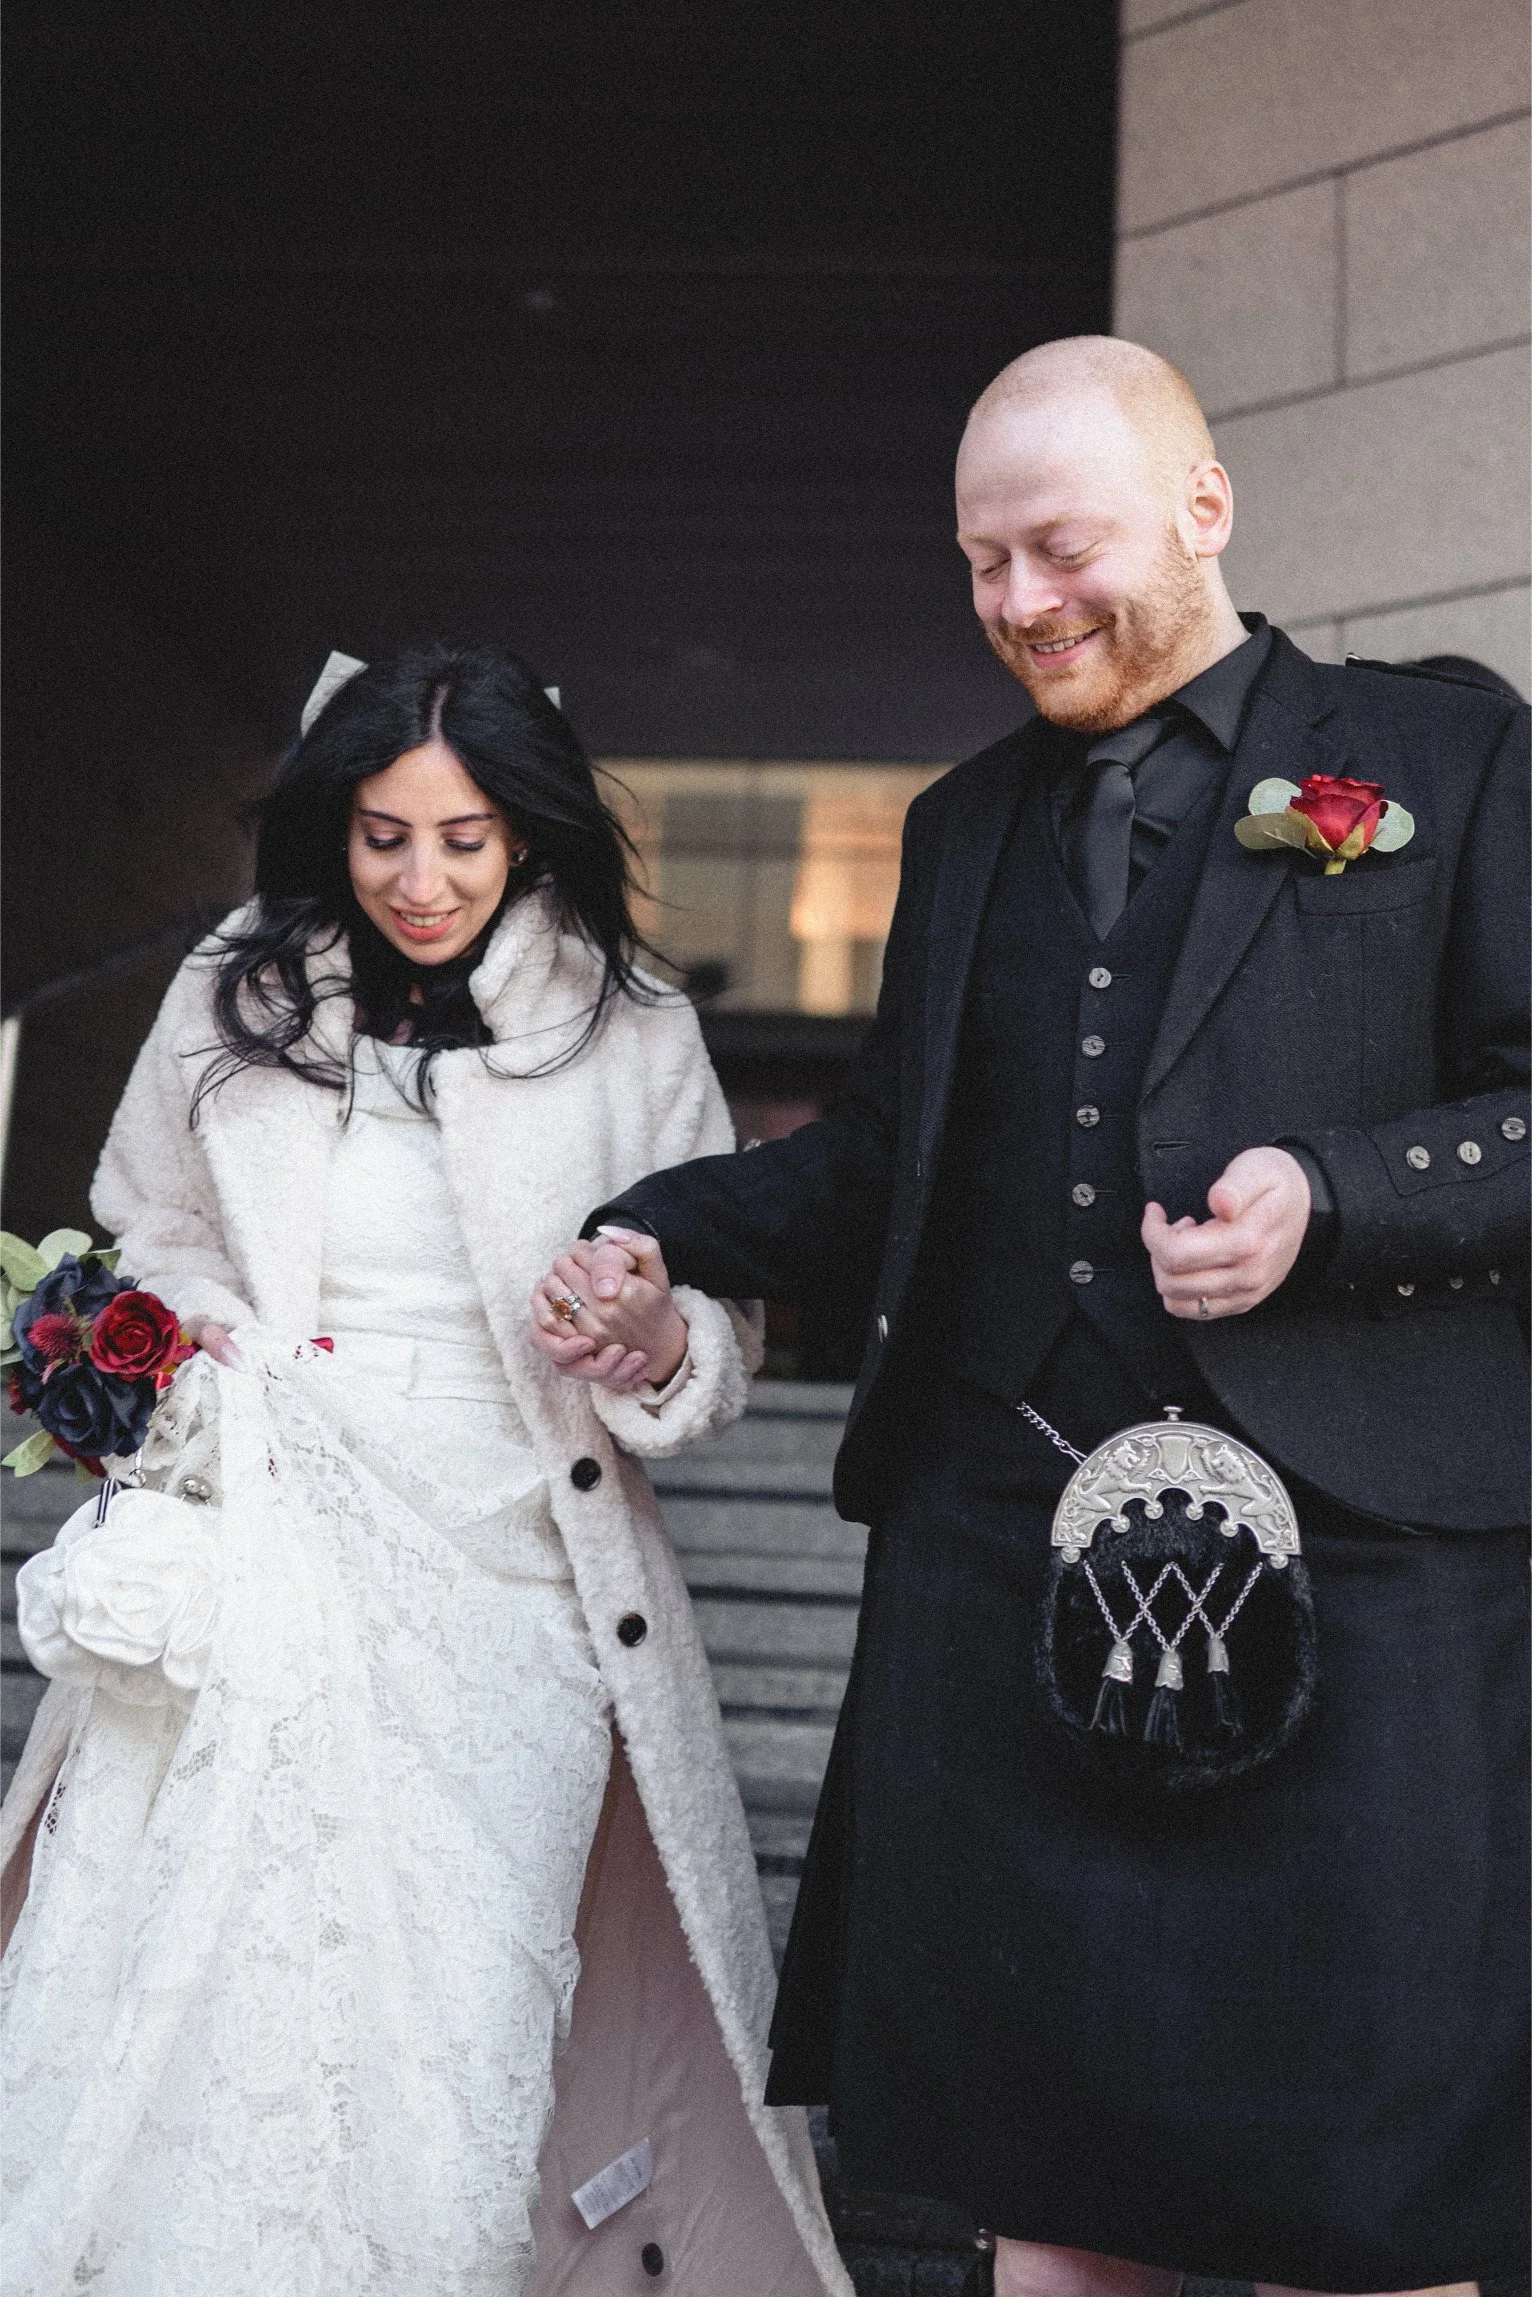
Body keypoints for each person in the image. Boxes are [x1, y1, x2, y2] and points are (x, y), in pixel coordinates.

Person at [532, 340, 1530, 2295]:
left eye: (1055, 549)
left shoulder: (1440, 756)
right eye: (979, 564)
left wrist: (1333, 1199)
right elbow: (892, 1155)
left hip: (1369, 1569)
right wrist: (658, 1228)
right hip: (1006, 1557)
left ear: (1201, 506)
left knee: (1379, 2184)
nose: (1014, 604)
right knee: (1043, 2168)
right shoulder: (964, 817)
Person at [0, 643, 851, 2297]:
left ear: (527, 834)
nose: (421, 877)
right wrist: (198, 1335)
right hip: (268, 1549)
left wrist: (650, 1339)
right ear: (337, 826)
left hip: (516, 1589)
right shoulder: (231, 989)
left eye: (462, 839)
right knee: (210, 1978)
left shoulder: (632, 1027)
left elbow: (717, 1340)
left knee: (463, 2006)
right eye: (384, 835)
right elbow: (152, 1233)